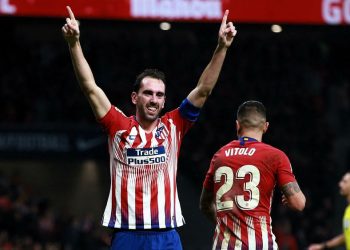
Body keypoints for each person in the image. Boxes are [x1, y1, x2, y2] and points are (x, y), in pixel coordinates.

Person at [62, 5, 237, 250]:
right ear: (135, 97)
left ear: (164, 101)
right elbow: (90, 87)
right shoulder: (118, 126)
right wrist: (74, 43)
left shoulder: (175, 125)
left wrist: (221, 47)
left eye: (159, 95)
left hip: (167, 236)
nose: (154, 99)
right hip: (127, 235)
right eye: (148, 93)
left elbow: (204, 89)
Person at [200, 100, 306, 249]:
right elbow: (299, 203)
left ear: (237, 125)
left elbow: (204, 204)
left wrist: (226, 223)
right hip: (259, 244)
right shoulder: (275, 156)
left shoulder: (219, 156)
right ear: (265, 127)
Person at [308, 172, 350, 250]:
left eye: (345, 181)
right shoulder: (347, 210)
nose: (340, 184)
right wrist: (322, 246)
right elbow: (346, 236)